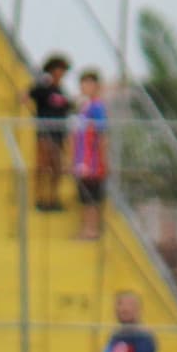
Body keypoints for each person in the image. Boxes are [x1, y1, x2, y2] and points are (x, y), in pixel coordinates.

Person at [25, 53, 69, 213]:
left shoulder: (62, 92)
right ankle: (40, 198)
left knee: (56, 167)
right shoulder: (43, 87)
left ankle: (53, 198)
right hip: (44, 134)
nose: (61, 73)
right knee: (42, 166)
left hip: (58, 135)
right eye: (58, 69)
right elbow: (28, 95)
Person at [71, 68, 107, 241]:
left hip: (93, 162)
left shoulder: (98, 107)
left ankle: (92, 230)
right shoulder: (83, 108)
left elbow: (102, 135)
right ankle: (85, 228)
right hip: (81, 161)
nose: (85, 87)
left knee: (92, 198)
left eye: (88, 83)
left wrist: (103, 159)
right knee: (84, 198)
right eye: (83, 83)